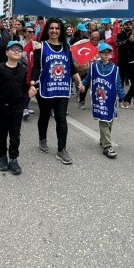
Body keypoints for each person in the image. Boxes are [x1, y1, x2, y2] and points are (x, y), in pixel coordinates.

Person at [31, 18, 82, 165]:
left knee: (61, 118)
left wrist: (79, 82)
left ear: (61, 31)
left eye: (57, 28)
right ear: (47, 30)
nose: (54, 31)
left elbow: (71, 68)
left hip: (62, 89)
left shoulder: (66, 48)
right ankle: (42, 139)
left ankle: (61, 149)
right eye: (51, 28)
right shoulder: (41, 47)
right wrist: (32, 84)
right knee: (45, 116)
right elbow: (36, 67)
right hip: (45, 88)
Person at [0, 41, 30, 175]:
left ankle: (14, 158)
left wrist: (31, 90)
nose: (17, 51)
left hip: (17, 107)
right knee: (2, 134)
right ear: (7, 52)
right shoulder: (0, 68)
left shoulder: (23, 69)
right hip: (1, 107)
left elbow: (25, 87)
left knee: (15, 135)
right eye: (13, 49)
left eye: (19, 50)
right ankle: (2, 156)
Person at [78, 43, 125, 159]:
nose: (106, 55)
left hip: (111, 100)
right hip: (99, 99)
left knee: (109, 121)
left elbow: (118, 84)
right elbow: (88, 78)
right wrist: (82, 85)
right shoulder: (94, 66)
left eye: (109, 53)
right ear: (99, 54)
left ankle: (103, 139)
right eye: (104, 53)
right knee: (104, 120)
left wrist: (124, 98)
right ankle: (107, 146)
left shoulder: (115, 68)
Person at [115, 19, 134, 88]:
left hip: (132, 61)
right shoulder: (119, 34)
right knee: (120, 81)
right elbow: (117, 43)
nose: (128, 26)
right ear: (123, 26)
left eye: (130, 24)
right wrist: (128, 40)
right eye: (126, 24)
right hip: (122, 62)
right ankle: (121, 98)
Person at [77, 31, 102, 109]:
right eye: (93, 39)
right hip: (85, 70)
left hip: (96, 69)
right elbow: (76, 48)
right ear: (90, 38)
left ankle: (97, 102)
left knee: (97, 87)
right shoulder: (84, 44)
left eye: (96, 40)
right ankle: (81, 102)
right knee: (84, 86)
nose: (94, 41)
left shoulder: (100, 47)